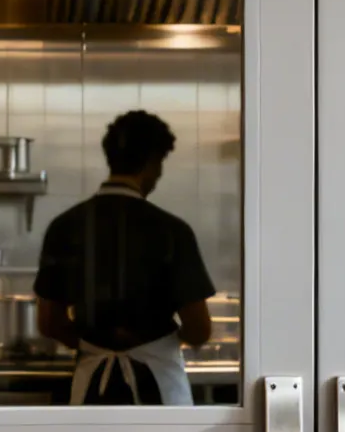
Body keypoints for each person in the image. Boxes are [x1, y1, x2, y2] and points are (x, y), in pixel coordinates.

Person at [34, 110, 216, 406]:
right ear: (152, 162)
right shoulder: (171, 230)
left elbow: (49, 322)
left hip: (93, 388)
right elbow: (199, 329)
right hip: (158, 388)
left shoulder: (64, 226)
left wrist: (94, 344)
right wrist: (158, 346)